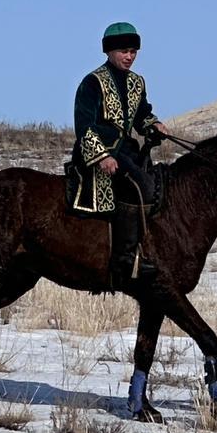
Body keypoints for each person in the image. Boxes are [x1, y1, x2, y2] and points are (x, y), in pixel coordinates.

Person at [70, 21, 170, 286]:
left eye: (133, 51)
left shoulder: (138, 83)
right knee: (141, 186)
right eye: (124, 51)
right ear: (109, 51)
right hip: (99, 151)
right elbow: (84, 124)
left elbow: (141, 116)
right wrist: (102, 156)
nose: (129, 57)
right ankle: (125, 259)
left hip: (127, 150)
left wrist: (153, 125)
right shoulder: (92, 83)